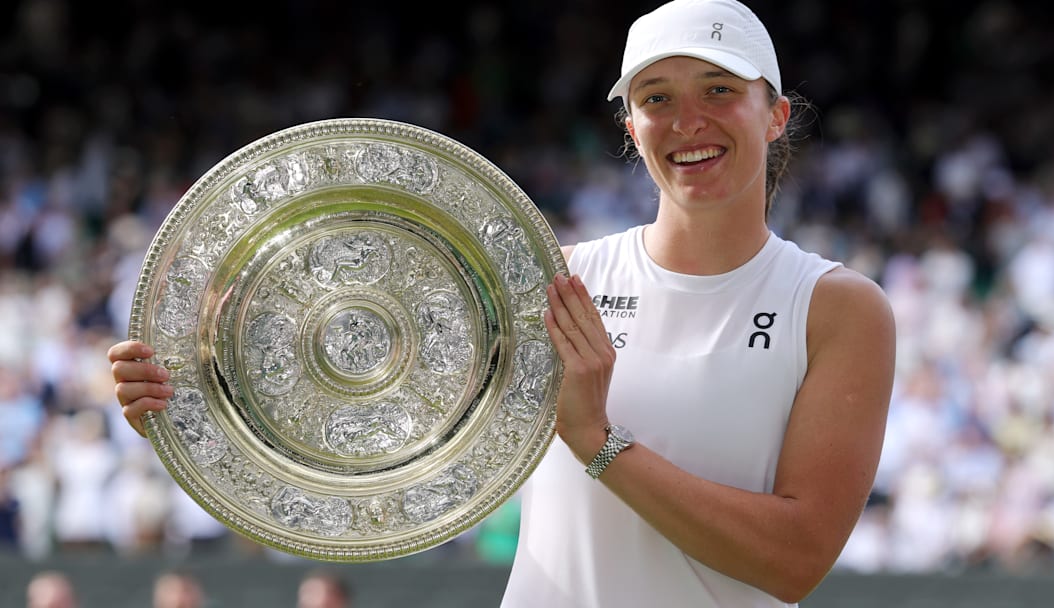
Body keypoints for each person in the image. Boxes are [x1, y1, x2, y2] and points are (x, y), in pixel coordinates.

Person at [108, 0, 895, 605]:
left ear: (777, 112)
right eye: (657, 98)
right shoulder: (554, 279)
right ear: (630, 125)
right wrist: (190, 399)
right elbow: (384, 413)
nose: (687, 121)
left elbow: (796, 559)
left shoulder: (836, 308)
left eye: (719, 90)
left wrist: (600, 445)